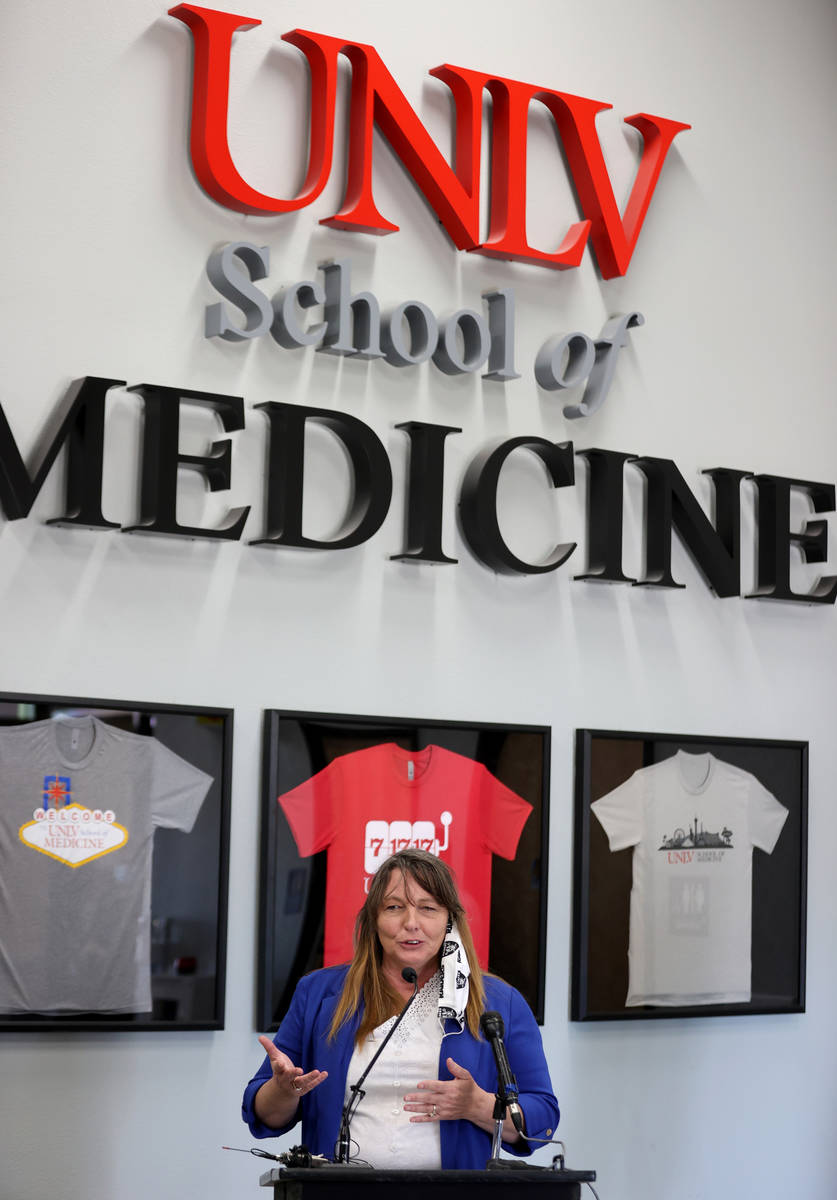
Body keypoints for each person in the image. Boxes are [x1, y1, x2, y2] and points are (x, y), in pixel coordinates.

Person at [242, 848, 559, 1169]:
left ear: (450, 920)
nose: (411, 923)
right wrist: (282, 1091)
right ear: (373, 919)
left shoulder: (500, 1002)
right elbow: (264, 1114)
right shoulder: (317, 994)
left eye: (428, 908)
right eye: (394, 907)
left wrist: (478, 1105)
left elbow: (542, 1116)